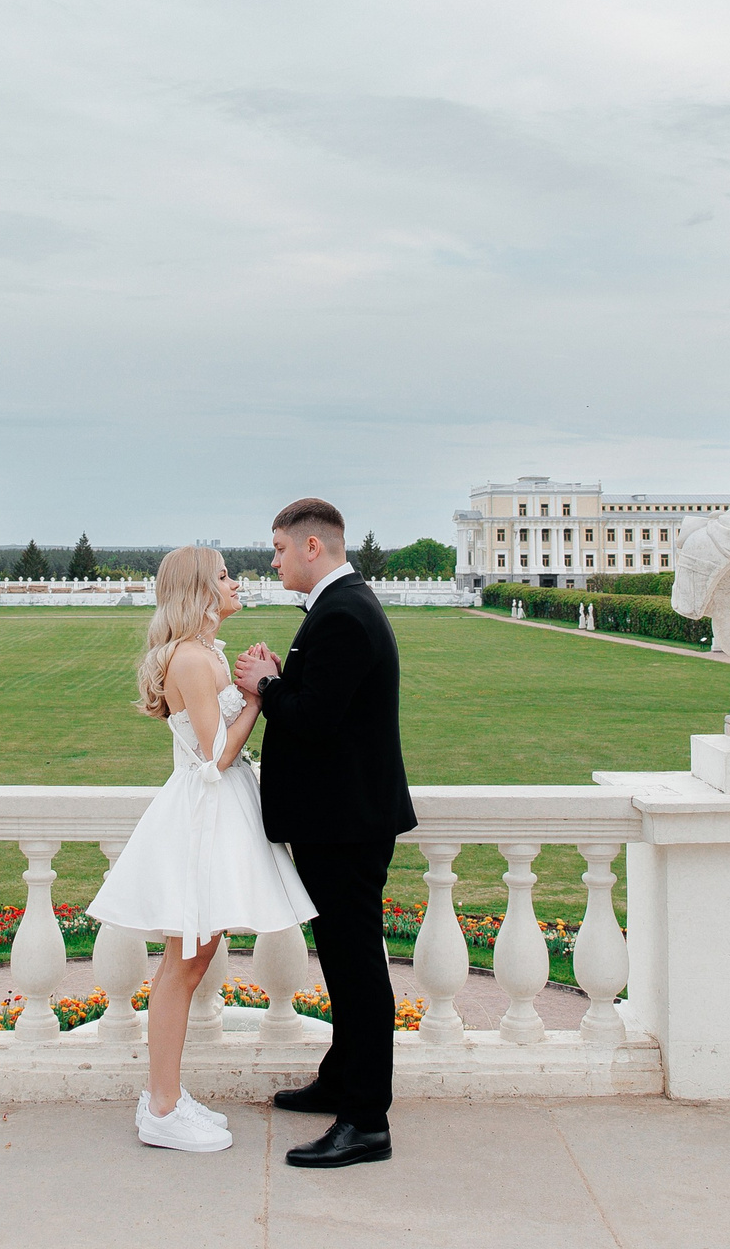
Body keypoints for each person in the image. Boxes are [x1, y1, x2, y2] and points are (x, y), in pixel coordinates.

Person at [86, 546, 316, 1153]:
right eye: (223, 576)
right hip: (202, 818)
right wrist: (262, 698)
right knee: (183, 965)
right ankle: (161, 1106)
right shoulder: (191, 658)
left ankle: (166, 1097)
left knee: (191, 959)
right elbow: (215, 758)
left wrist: (251, 681)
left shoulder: (207, 653)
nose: (235, 582)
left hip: (216, 814)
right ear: (200, 591)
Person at [236, 498, 416, 1170]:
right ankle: (342, 1081)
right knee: (345, 964)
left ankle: (366, 1120)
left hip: (346, 825)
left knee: (357, 968)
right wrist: (281, 680)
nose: (273, 561)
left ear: (314, 548)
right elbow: (326, 707)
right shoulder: (343, 609)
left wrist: (265, 684)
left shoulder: (343, 615)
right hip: (342, 821)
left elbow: (314, 719)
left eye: (279, 550)